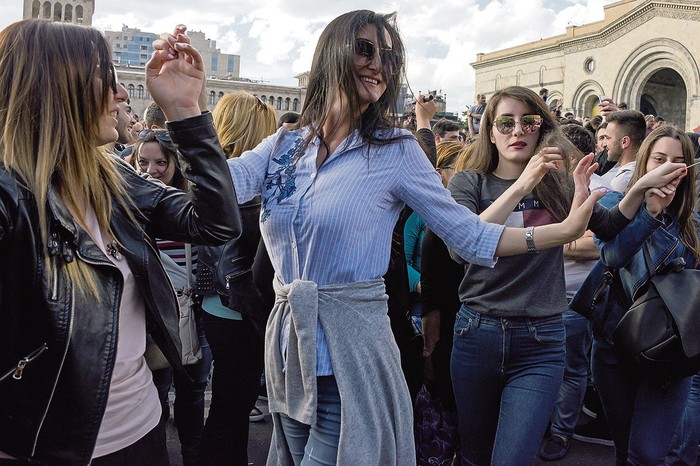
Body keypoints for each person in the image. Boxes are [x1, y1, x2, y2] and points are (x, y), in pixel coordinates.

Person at [165, 11, 604, 465]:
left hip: (353, 355)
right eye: (365, 48)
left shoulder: (396, 151)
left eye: (389, 56)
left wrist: (564, 231)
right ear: (331, 52)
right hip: (289, 352)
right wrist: (184, 111)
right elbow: (219, 191)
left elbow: (468, 238)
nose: (379, 64)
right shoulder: (282, 145)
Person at [0, 19, 240, 465]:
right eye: (107, 78)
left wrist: (187, 114)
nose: (123, 94)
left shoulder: (112, 179)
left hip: (142, 431)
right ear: (57, 87)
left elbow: (217, 225)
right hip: (47, 448)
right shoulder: (10, 196)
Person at [446, 85, 684, 465]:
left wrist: (639, 187)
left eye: (530, 121)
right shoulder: (469, 183)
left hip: (540, 340)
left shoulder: (556, 182)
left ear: (541, 128)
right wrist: (522, 186)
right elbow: (462, 246)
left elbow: (606, 227)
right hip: (478, 333)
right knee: (475, 455)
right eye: (505, 122)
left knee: (512, 459)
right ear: (489, 130)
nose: (517, 130)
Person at [572, 125, 698, 465]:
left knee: (647, 453)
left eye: (677, 161)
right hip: (615, 341)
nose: (667, 169)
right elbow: (612, 256)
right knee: (624, 448)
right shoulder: (615, 203)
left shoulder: (692, 223)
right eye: (659, 159)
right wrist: (649, 213)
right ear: (644, 162)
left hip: (669, 350)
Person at [196, 91, 277, 466]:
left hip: (218, 303)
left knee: (229, 407)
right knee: (231, 409)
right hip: (240, 307)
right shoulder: (246, 185)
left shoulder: (215, 179)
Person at [131, 128, 211, 466]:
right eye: (143, 162)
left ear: (176, 162)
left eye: (161, 162)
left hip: (194, 315)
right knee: (156, 395)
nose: (151, 170)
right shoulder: (129, 201)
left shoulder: (192, 204)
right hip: (154, 320)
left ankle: (192, 456)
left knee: (192, 395)